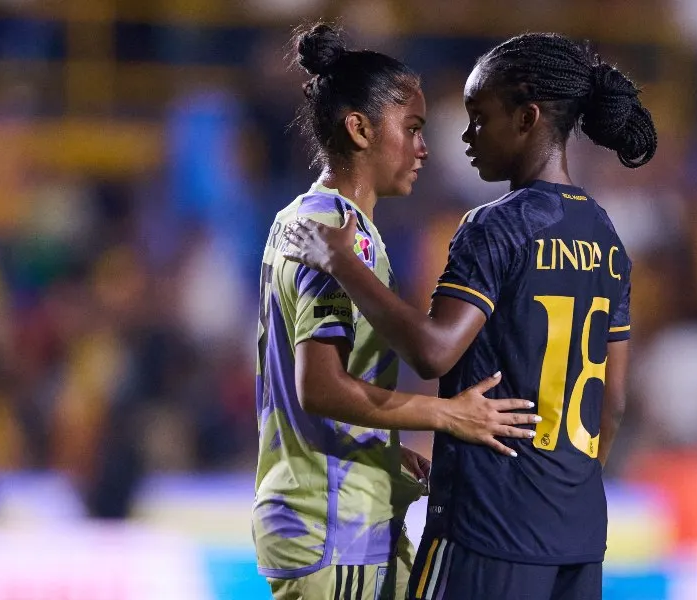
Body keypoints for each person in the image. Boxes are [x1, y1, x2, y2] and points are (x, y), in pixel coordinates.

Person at [282, 32, 658, 599]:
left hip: (486, 533)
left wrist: (339, 260)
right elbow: (615, 402)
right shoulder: (607, 236)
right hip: (578, 540)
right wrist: (562, 491)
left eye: (479, 117)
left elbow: (434, 350)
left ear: (527, 117)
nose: (464, 135)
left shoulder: (497, 225)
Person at [254, 24, 538, 600]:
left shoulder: (306, 219)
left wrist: (386, 449)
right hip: (335, 526)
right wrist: (448, 415)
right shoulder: (337, 233)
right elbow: (320, 386)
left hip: (334, 513)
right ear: (359, 129)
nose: (423, 148)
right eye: (411, 129)